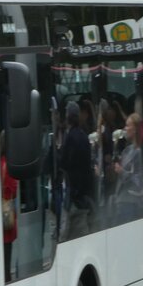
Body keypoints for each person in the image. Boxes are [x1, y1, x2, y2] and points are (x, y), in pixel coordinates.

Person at [58, 101, 96, 238]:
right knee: (80, 228)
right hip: (83, 192)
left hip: (73, 192)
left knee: (67, 231)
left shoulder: (70, 137)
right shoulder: (83, 135)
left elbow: (64, 163)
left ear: (67, 117)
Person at [112, 112, 143, 225]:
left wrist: (122, 172)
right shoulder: (127, 150)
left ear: (135, 129)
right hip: (121, 200)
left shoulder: (139, 152)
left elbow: (138, 179)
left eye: (128, 126)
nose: (125, 129)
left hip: (131, 201)